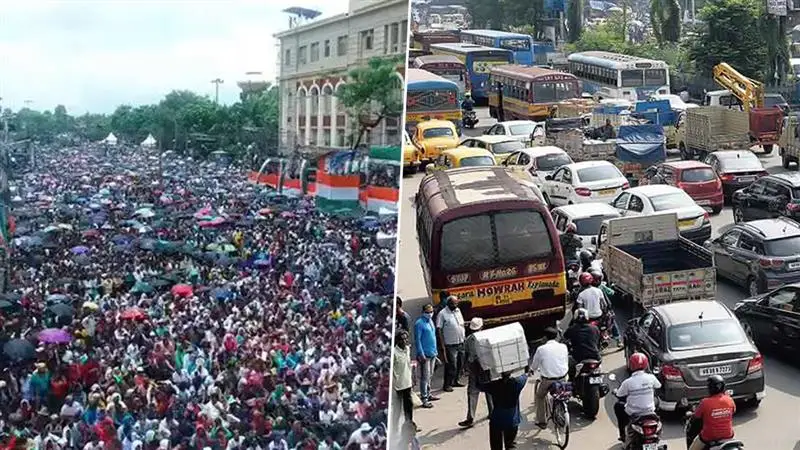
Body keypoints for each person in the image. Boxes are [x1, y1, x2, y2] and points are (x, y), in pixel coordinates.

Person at [613, 352, 662, 443]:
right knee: (656, 400)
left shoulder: (628, 382)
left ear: (631, 365)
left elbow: (619, 395)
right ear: (646, 364)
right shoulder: (651, 377)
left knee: (618, 406)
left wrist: (615, 391)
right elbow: (658, 386)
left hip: (633, 413)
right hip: (650, 411)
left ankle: (622, 435)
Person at [529, 327, 569, 429]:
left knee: (540, 396)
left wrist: (531, 370)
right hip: (563, 377)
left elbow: (535, 364)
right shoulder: (563, 346)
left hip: (548, 380)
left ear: (545, 338)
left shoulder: (541, 349)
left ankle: (542, 421)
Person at [459, 317, 494, 428]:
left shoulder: (469, 339)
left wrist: (464, 368)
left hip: (474, 367)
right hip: (485, 366)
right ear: (481, 327)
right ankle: (492, 412)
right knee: (489, 390)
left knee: (472, 392)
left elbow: (465, 354)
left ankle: (471, 418)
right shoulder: (487, 337)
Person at [688, 375, 736, 450]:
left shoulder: (705, 402)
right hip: (728, 435)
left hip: (708, 437)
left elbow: (696, 417)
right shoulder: (730, 400)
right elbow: (733, 411)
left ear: (710, 388)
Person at [483, 371, 528, 450]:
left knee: (496, 446)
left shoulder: (494, 385)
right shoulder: (517, 383)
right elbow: (525, 375)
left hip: (497, 421)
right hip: (512, 422)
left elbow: (478, 385)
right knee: (510, 445)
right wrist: (526, 371)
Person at [436, 295, 465, 392]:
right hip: (450, 344)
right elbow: (439, 329)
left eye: (456, 303)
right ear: (448, 303)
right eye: (453, 304)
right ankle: (447, 384)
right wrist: (442, 345)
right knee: (451, 365)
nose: (455, 305)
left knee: (460, 364)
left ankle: (455, 381)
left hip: (461, 342)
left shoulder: (458, 311)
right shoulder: (442, 314)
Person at [563, 308, 601, 381]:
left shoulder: (572, 329)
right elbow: (598, 341)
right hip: (596, 357)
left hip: (578, 358)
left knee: (568, 368)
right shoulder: (595, 328)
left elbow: (565, 338)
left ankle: (572, 382)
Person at [414, 304, 438, 408]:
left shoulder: (431, 322)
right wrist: (421, 353)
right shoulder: (419, 324)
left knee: (430, 375)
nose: (430, 314)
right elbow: (417, 340)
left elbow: (433, 337)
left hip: (433, 353)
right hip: (425, 355)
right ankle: (424, 398)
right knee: (425, 377)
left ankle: (429, 394)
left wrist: (436, 352)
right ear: (423, 312)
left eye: (431, 312)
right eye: (428, 312)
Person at [393, 330, 415, 431]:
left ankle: (409, 427)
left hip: (407, 383)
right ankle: (394, 429)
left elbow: (409, 365)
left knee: (408, 407)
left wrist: (412, 378)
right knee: (397, 409)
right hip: (398, 386)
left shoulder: (407, 349)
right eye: (402, 339)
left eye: (406, 339)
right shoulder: (394, 352)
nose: (404, 341)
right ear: (397, 341)